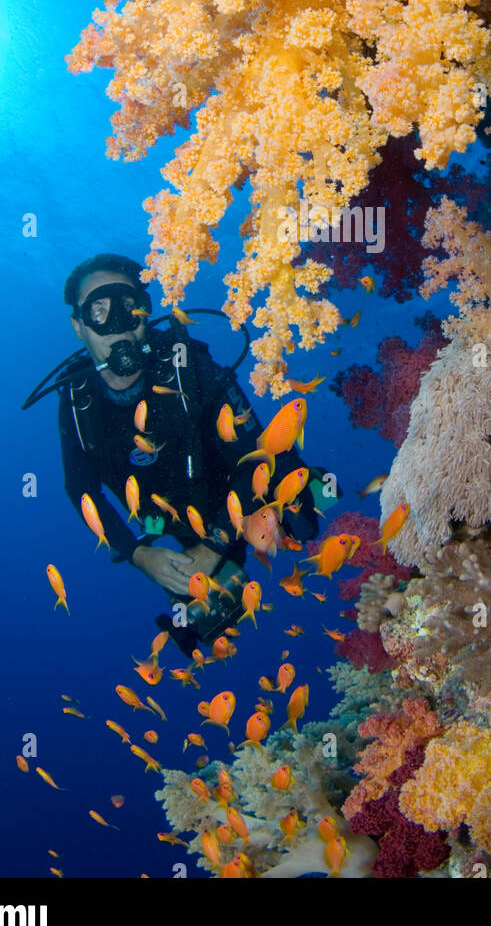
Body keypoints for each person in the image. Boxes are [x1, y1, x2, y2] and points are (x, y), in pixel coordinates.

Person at [55, 253, 324, 652]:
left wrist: (214, 545)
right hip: (179, 525)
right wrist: (138, 554)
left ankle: (337, 497)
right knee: (203, 629)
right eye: (98, 312)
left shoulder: (187, 367)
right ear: (78, 326)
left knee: (306, 512)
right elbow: (81, 491)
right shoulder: (78, 402)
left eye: (127, 309)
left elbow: (256, 456)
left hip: (245, 490)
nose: (116, 327)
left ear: (145, 314)